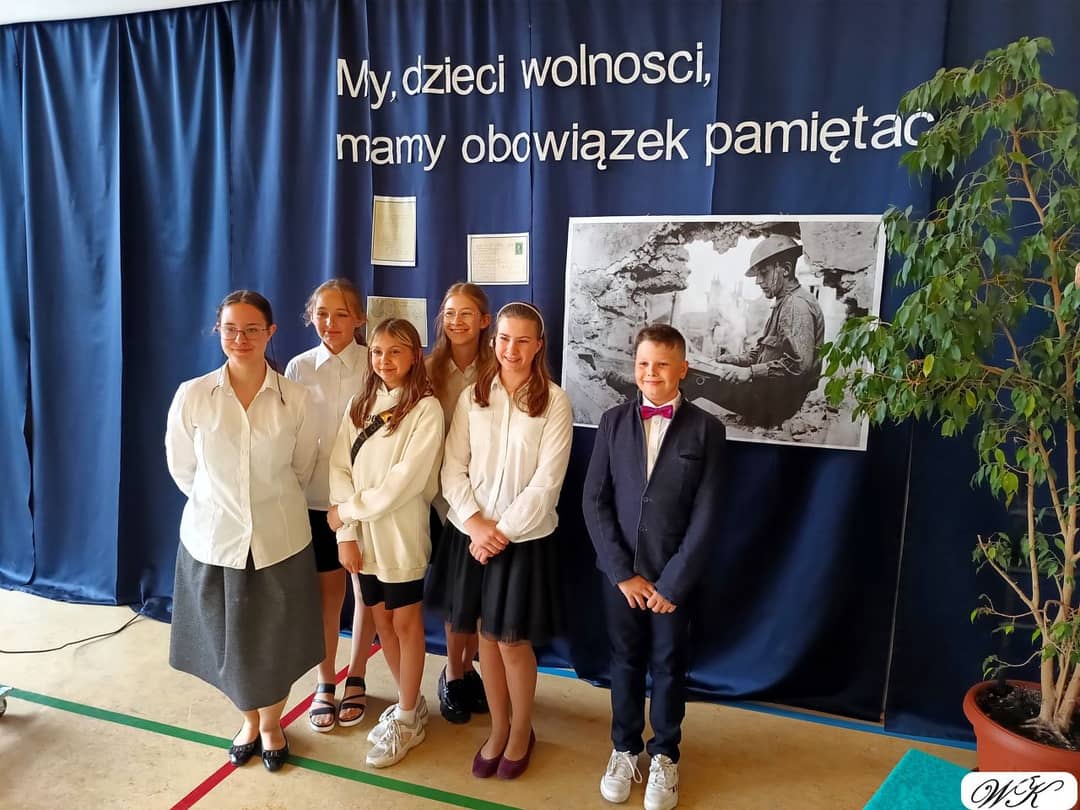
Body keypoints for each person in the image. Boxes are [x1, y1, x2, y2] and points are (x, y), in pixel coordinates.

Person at [165, 290, 323, 773]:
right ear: (219, 331)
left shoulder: (296, 398)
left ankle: (272, 724)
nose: (241, 338)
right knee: (227, 642)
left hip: (280, 540)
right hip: (214, 540)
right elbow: (183, 468)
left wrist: (264, 505)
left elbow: (303, 469)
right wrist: (223, 507)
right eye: (230, 329)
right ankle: (248, 721)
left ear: (270, 332)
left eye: (252, 329)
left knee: (276, 641)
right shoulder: (194, 395)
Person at [583, 324, 726, 810]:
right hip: (621, 579)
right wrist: (621, 573)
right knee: (624, 661)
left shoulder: (707, 430)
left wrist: (674, 583)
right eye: (644, 364)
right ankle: (624, 748)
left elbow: (707, 514)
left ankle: (665, 754)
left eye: (662, 365)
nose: (651, 373)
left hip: (672, 582)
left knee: (668, 665)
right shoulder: (612, 422)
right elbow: (595, 500)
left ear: (683, 369)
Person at [429, 301, 573, 780]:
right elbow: (453, 466)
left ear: (538, 346)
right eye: (505, 339)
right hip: (471, 533)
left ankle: (521, 731)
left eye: (523, 340)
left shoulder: (555, 402)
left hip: (523, 539)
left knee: (509, 641)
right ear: (494, 342)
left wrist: (501, 533)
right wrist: (475, 524)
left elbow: (547, 484)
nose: (512, 349)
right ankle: (499, 726)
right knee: (483, 640)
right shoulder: (474, 396)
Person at [327, 318, 444, 768]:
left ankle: (409, 717)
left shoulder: (425, 409)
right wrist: (347, 533)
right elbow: (339, 467)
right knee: (379, 617)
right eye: (377, 351)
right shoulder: (360, 404)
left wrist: (347, 512)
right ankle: (408, 704)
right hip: (363, 535)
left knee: (404, 622)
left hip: (401, 534)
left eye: (395, 351)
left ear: (415, 355)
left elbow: (404, 482)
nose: (384, 360)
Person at [284, 278, 378, 733]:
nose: (331, 323)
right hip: (316, 501)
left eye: (342, 314)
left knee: (366, 593)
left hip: (363, 502)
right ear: (311, 317)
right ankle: (325, 681)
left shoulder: (374, 362)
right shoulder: (299, 368)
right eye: (322, 313)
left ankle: (356, 674)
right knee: (326, 596)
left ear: (359, 318)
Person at [425, 282, 494, 724]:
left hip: (483, 501)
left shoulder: (498, 367)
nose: (457, 321)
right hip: (438, 501)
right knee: (455, 596)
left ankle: (469, 669)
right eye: (450, 313)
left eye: (466, 313)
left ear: (485, 321)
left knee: (479, 596)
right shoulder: (427, 370)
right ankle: (453, 671)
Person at [711, 234, 825, 427]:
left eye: (763, 273)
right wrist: (735, 360)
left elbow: (799, 366)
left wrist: (750, 372)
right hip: (770, 395)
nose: (758, 281)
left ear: (785, 269)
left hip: (779, 405)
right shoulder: (783, 302)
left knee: (696, 382)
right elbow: (762, 352)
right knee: (703, 376)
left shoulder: (795, 305)